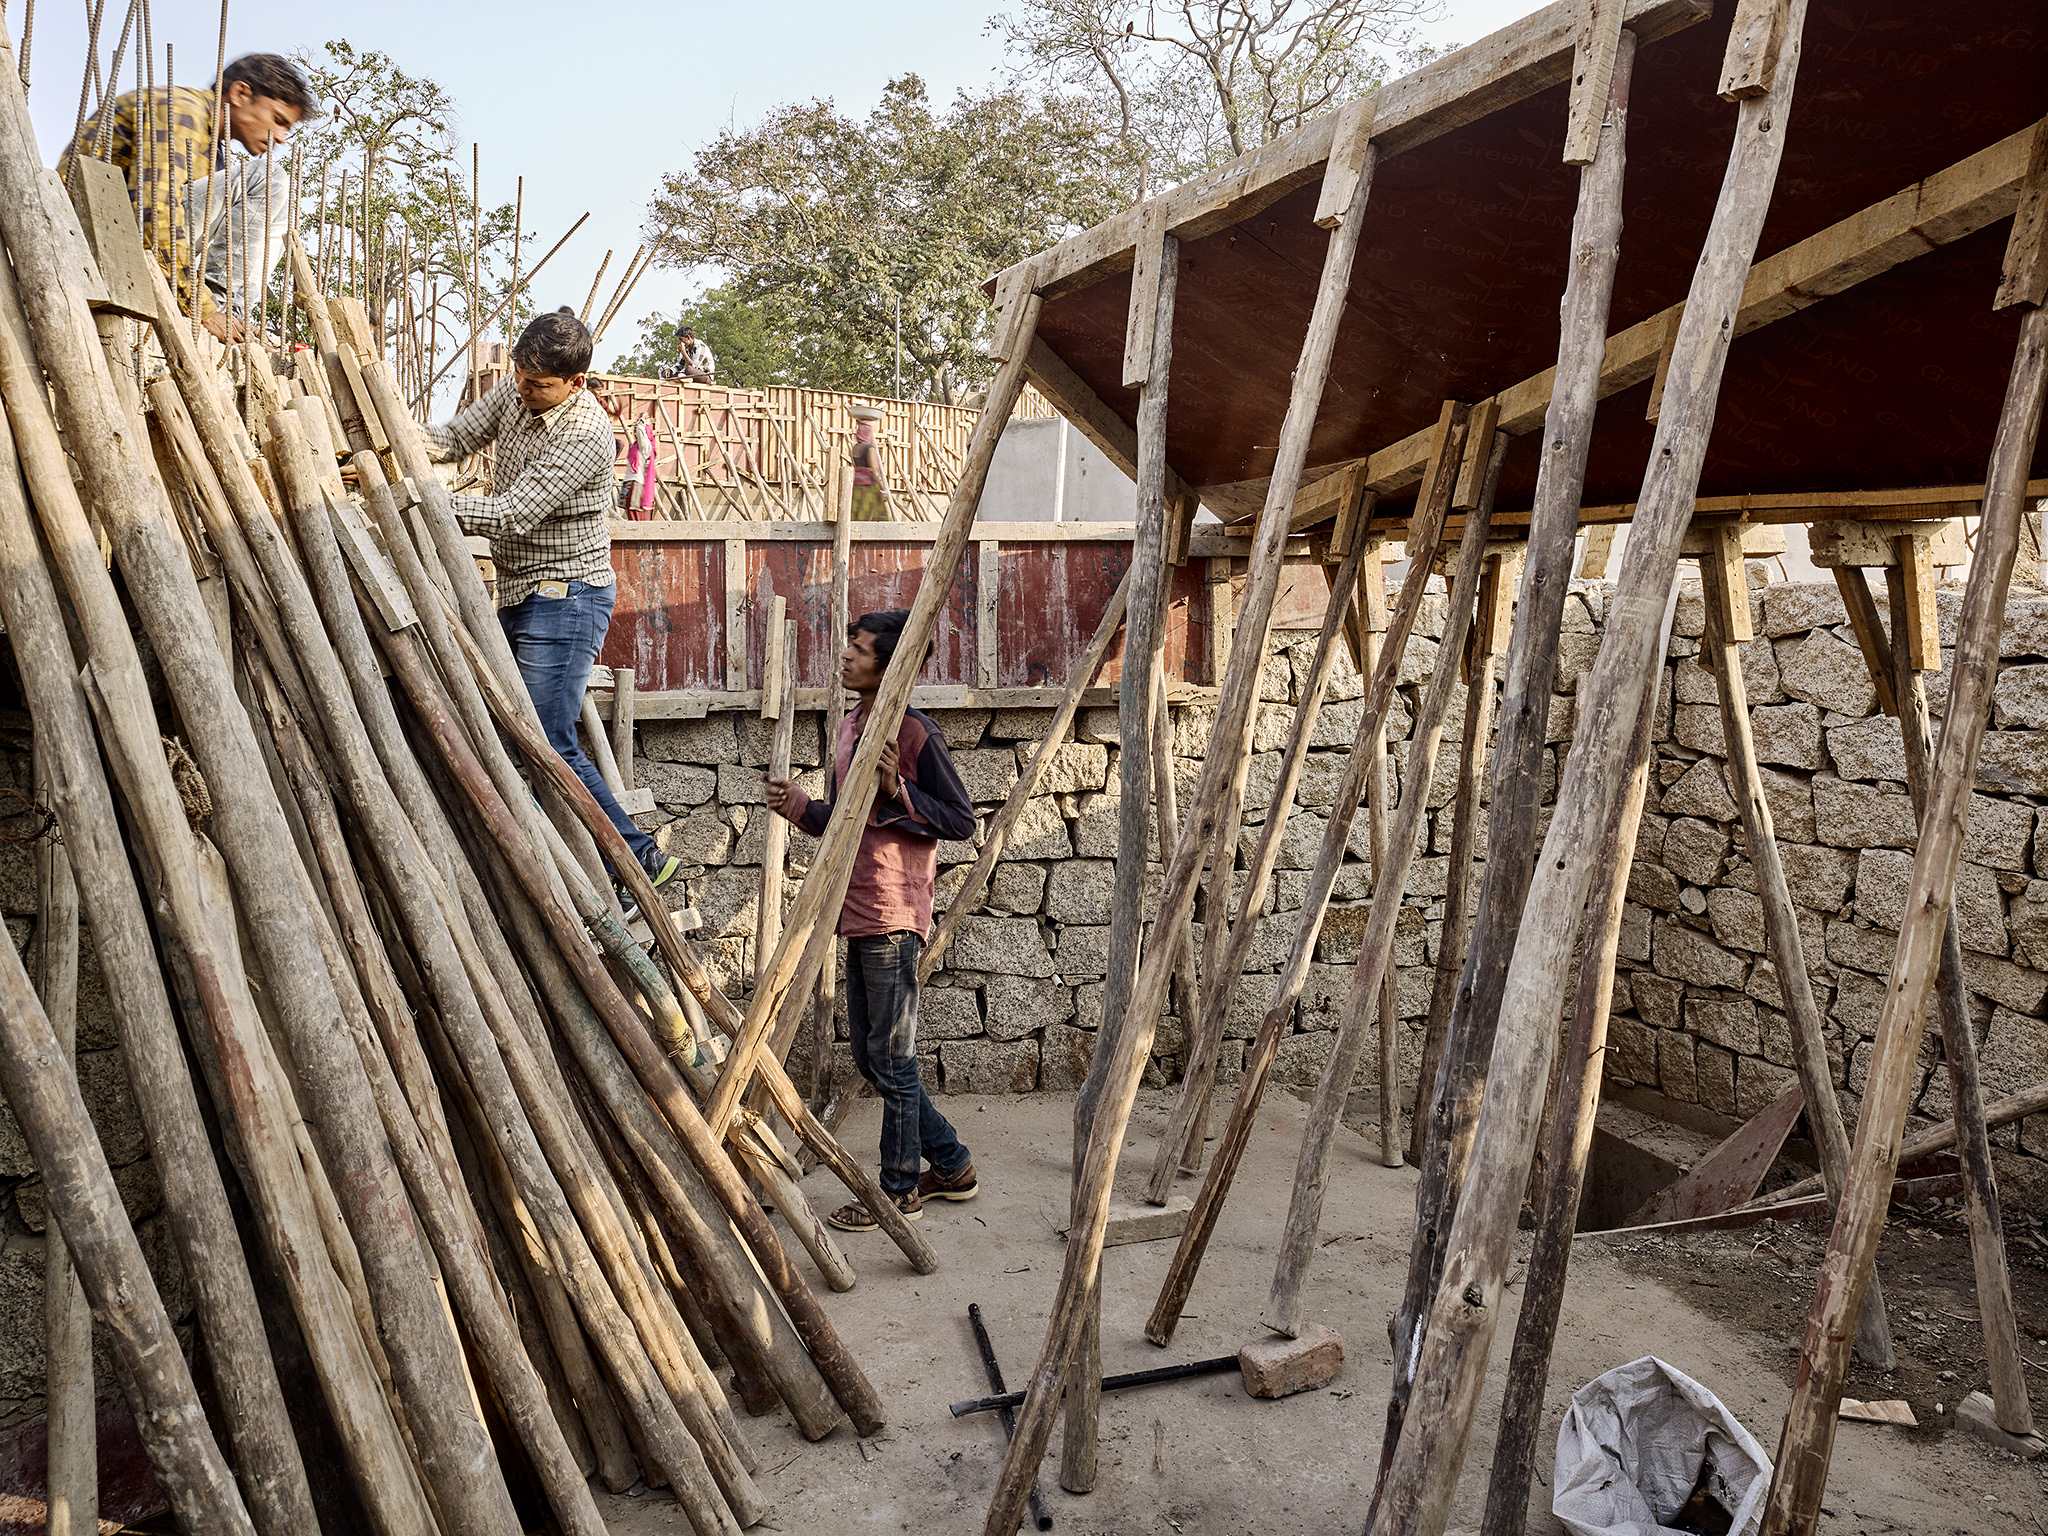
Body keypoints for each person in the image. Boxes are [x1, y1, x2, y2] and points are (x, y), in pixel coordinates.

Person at [421, 306, 680, 908]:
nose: (523, 389)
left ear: (576, 383)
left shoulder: (586, 435)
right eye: (520, 376)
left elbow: (512, 513)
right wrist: (392, 441)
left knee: (546, 737)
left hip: (567, 597)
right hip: (519, 590)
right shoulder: (517, 395)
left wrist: (417, 496)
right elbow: (454, 438)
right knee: (517, 729)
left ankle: (638, 856)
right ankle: (570, 855)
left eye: (539, 384)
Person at [766, 610, 979, 1230]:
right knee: (873, 1055)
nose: (847, 656)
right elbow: (850, 819)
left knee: (892, 1055)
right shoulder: (854, 725)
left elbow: (960, 820)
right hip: (855, 910)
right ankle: (952, 1163)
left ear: (887, 665)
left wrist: (900, 792)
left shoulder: (913, 734)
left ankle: (898, 1190)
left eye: (858, 649)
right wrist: (802, 808)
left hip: (891, 910)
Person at [68, 52, 315, 342]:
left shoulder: (213, 150)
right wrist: (205, 309)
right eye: (278, 120)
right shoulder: (183, 112)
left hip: (124, 238)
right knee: (267, 177)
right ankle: (224, 308)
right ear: (240, 93)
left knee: (273, 202)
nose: (283, 137)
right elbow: (152, 211)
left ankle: (231, 313)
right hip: (98, 239)